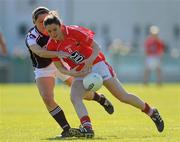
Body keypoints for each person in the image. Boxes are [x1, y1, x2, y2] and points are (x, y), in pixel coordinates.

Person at [44, 12, 164, 138]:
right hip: (80, 72)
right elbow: (60, 68)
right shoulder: (51, 45)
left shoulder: (73, 32)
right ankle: (87, 128)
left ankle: (152, 112)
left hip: (97, 64)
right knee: (74, 96)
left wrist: (89, 61)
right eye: (49, 31)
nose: (53, 33)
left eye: (54, 29)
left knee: (122, 96)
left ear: (60, 25)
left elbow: (96, 47)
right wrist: (72, 73)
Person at [25, 7, 113, 138]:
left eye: (46, 20)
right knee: (47, 98)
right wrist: (58, 53)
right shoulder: (32, 36)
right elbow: (40, 52)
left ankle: (100, 98)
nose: (44, 24)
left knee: (81, 92)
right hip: (44, 68)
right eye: (40, 21)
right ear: (34, 23)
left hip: (64, 64)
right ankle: (66, 129)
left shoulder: (55, 28)